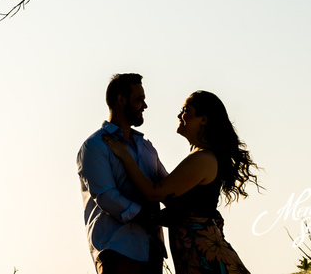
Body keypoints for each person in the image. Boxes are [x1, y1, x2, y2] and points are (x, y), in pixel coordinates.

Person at [103, 90, 259, 274]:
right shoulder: (201, 157)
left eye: (186, 110)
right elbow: (172, 198)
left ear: (203, 119)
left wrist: (126, 156)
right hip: (198, 260)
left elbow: (155, 192)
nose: (179, 114)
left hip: (207, 260)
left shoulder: (203, 158)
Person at [77, 73, 168, 274]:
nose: (145, 106)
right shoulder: (95, 146)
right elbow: (107, 197)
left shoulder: (146, 148)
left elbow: (167, 188)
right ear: (121, 100)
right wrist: (149, 216)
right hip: (118, 251)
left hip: (152, 251)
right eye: (139, 99)